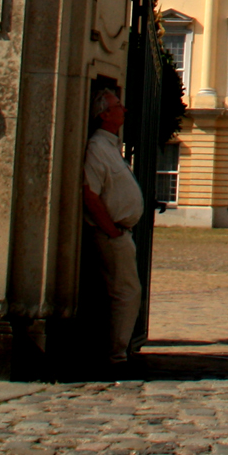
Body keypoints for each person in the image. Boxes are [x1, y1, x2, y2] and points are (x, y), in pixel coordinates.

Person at [81, 86, 144, 368]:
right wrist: (113, 231)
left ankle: (118, 350)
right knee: (126, 293)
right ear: (105, 114)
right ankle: (116, 355)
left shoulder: (109, 145)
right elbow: (90, 195)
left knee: (124, 292)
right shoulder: (97, 147)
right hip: (112, 233)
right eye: (118, 105)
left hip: (119, 231)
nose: (124, 109)